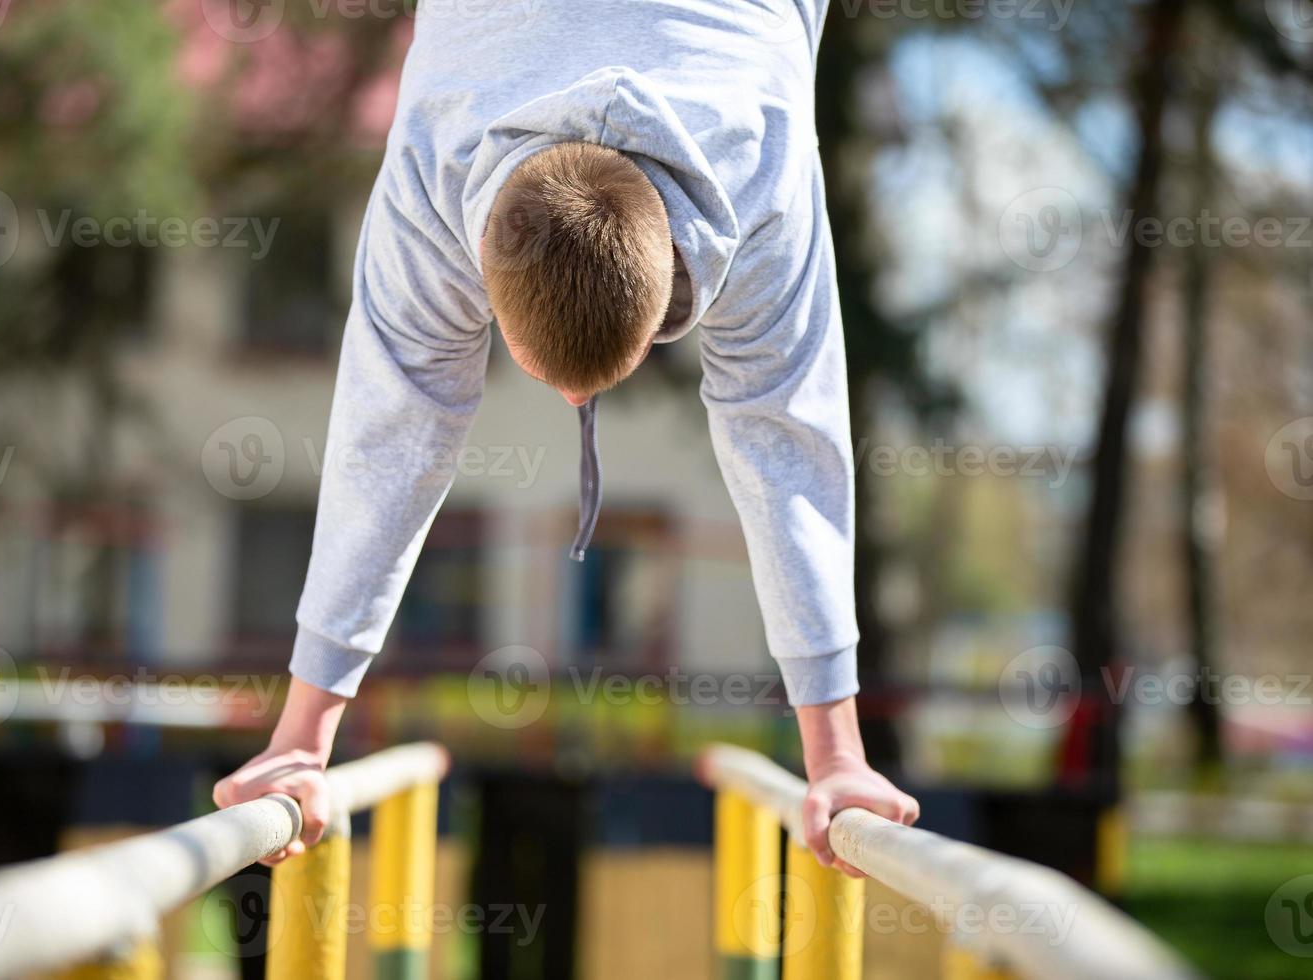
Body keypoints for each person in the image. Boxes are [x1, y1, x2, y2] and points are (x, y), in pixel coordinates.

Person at [213, 0, 919, 876]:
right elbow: (783, 438)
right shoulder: (442, 178)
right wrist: (834, 752)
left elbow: (397, 430)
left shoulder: (760, 180)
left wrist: (304, 735)